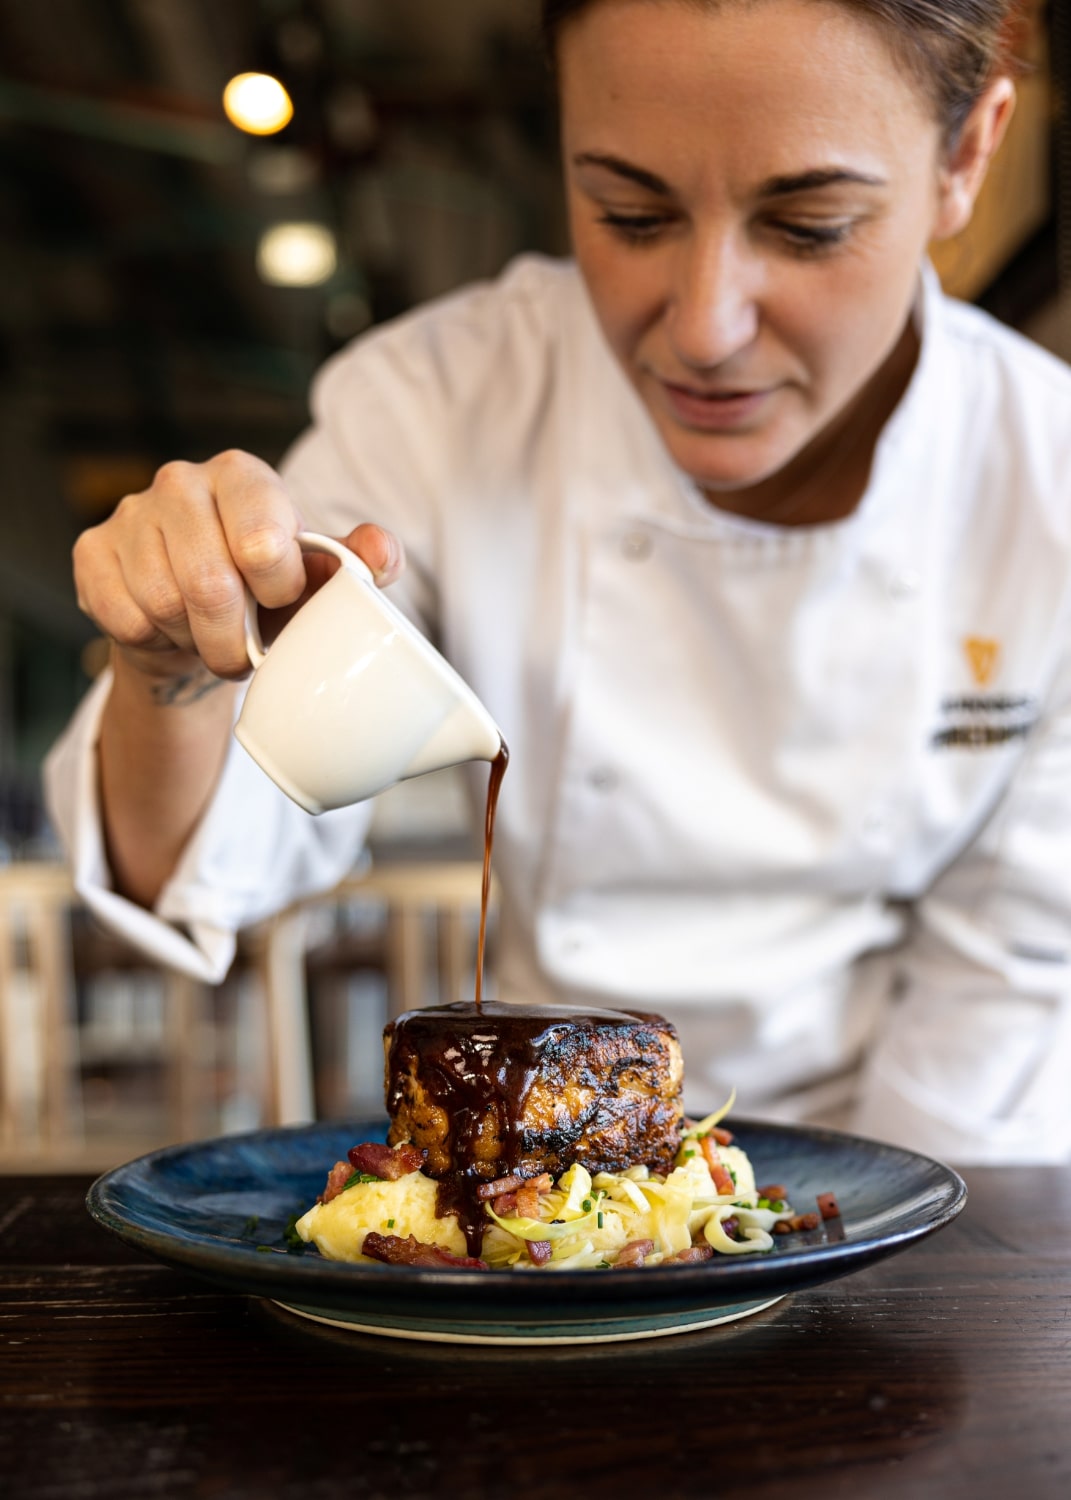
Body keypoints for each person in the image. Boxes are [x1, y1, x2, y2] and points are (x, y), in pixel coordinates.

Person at [46, 0, 1071, 1164]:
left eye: (810, 224)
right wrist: (173, 668)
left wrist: (815, 1254)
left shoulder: (1048, 492)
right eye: (629, 213)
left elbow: (1004, 996)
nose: (704, 327)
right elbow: (229, 846)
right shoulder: (439, 404)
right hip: (528, 1163)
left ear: (968, 156)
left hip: (883, 1182)